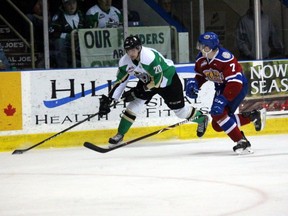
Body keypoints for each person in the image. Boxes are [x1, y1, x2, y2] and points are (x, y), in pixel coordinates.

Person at [98, 35, 209, 147]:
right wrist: (110, 99)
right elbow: (120, 81)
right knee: (134, 105)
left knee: (180, 112)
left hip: (167, 80)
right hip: (148, 80)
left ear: (139, 48)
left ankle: (202, 118)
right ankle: (120, 134)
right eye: (128, 51)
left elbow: (158, 80)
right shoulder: (125, 62)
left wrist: (138, 91)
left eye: (133, 50)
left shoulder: (149, 57)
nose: (130, 53)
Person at [186, 32, 266, 154]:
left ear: (209, 48)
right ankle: (253, 116)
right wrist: (195, 84)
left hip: (236, 88)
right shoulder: (201, 58)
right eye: (200, 45)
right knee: (217, 125)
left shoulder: (225, 58)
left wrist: (223, 99)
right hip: (221, 88)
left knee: (218, 113)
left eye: (203, 46)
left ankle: (241, 142)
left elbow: (235, 83)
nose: (200, 48)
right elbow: (201, 74)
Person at [49, 0, 85, 68]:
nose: (72, 6)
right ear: (64, 5)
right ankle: (63, 69)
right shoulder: (58, 16)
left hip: (80, 42)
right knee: (59, 42)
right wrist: (67, 36)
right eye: (69, 4)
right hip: (65, 43)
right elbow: (52, 33)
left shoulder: (81, 14)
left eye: (74, 3)